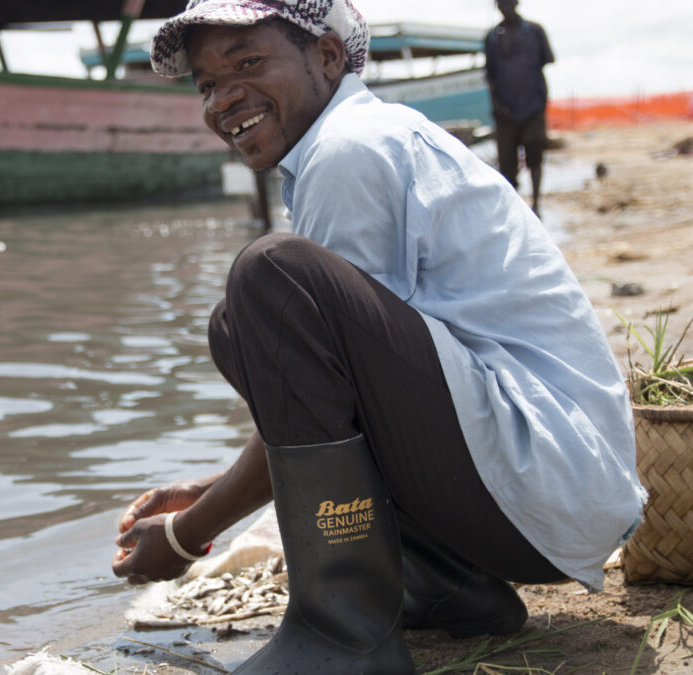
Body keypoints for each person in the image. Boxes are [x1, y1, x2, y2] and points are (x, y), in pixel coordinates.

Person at [111, 1, 645, 672]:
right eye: (208, 83)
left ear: (328, 57)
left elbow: (337, 377)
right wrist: (215, 484)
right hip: (547, 492)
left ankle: (343, 632)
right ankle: (444, 583)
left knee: (272, 278)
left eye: (248, 62)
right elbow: (343, 395)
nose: (225, 98)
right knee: (240, 324)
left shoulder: (349, 148)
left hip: (544, 488)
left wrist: (190, 534)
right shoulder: (346, 140)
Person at [485, 0, 554, 215]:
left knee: (535, 157)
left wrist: (540, 102)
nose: (505, 6)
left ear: (516, 3)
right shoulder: (493, 37)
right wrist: (497, 105)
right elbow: (490, 77)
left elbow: (546, 62)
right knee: (507, 165)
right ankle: (515, 211)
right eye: (501, 3)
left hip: (533, 108)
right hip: (504, 113)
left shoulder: (534, 32)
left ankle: (537, 204)